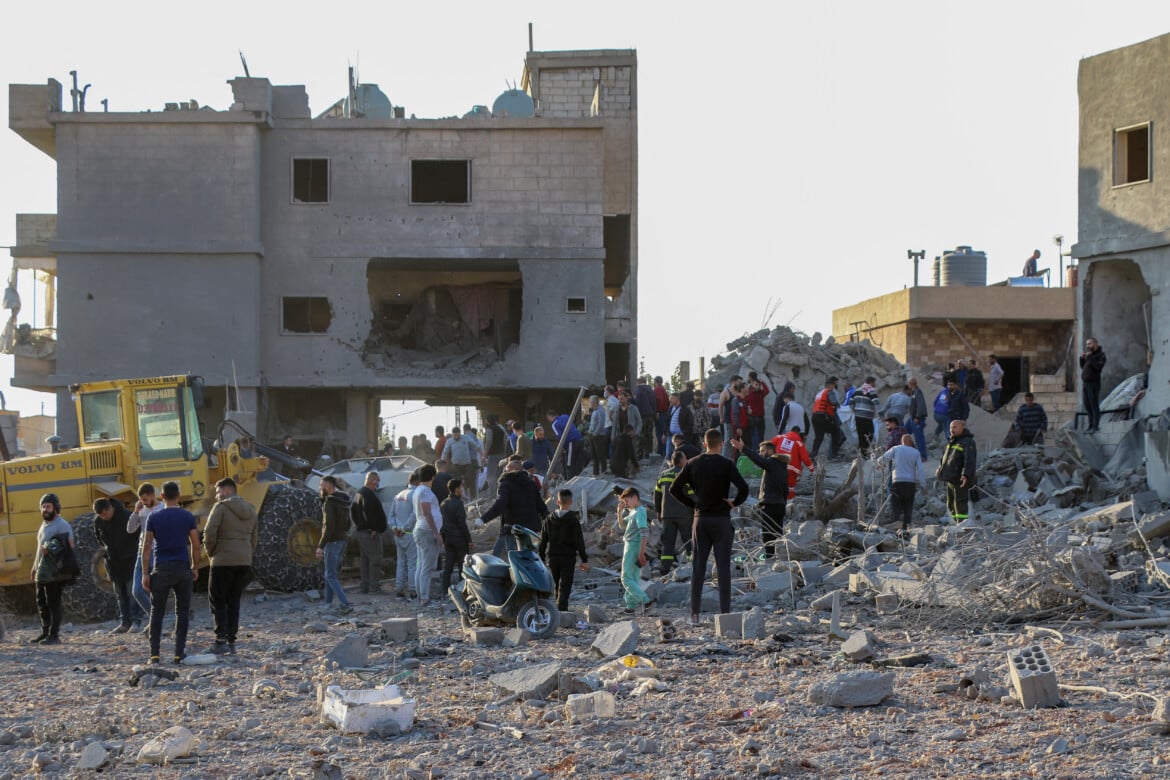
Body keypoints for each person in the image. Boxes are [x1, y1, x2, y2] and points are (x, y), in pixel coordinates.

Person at [670, 428, 750, 625]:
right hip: (721, 519)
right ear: (720, 444)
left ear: (704, 444)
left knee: (698, 566)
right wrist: (734, 502)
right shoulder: (726, 464)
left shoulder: (693, 463)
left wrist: (692, 504)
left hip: (701, 519)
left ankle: (695, 614)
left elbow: (674, 488)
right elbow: (744, 488)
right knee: (723, 567)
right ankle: (724, 614)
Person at [142, 481, 200, 664]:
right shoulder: (187, 516)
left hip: (162, 568)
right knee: (182, 612)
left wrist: (145, 573)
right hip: (182, 567)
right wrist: (195, 567)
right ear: (179, 496)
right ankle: (178, 654)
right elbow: (196, 545)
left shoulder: (154, 518)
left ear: (162, 496)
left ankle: (154, 655)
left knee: (156, 612)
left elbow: (147, 547)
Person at [202, 477, 257, 654]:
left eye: (218, 492)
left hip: (222, 560)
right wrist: (247, 553)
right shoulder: (251, 509)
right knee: (234, 600)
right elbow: (255, 537)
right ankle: (231, 637)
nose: (217, 496)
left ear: (226, 491)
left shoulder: (220, 507)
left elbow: (209, 533)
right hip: (244, 560)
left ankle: (220, 640)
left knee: (217, 599)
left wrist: (211, 553)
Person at [731, 437, 790, 559]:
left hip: (770, 504)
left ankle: (769, 556)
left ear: (770, 451)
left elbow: (757, 460)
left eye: (762, 451)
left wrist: (743, 449)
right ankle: (778, 555)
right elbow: (785, 489)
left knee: (768, 532)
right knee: (777, 531)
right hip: (779, 504)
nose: (760, 453)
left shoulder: (772, 463)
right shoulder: (781, 466)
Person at [30, 493, 74, 645]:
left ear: (56, 507)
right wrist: (35, 567)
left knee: (53, 603)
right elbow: (39, 549)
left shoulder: (62, 525)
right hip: (42, 572)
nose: (45, 510)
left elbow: (69, 547)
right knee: (41, 602)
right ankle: (45, 631)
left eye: (48, 506)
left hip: (55, 573)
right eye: (43, 507)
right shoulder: (44, 525)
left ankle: (54, 635)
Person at [93, 497, 142, 633]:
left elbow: (138, 536)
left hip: (130, 560)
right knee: (120, 594)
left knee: (132, 592)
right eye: (100, 515)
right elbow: (99, 538)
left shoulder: (127, 516)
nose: (104, 517)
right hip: (113, 563)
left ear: (111, 508)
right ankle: (124, 622)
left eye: (105, 514)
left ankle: (136, 621)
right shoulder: (98, 521)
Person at [483, 460, 548, 556]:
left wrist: (484, 519)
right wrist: (547, 519)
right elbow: (541, 505)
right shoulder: (530, 483)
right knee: (530, 557)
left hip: (512, 528)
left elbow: (501, 504)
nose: (505, 469)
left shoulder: (506, 484)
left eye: (509, 467)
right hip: (530, 528)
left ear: (516, 469)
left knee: (512, 557)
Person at [539, 488, 589, 612]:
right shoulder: (573, 520)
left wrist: (541, 558)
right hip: (568, 558)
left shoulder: (549, 519)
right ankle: (562, 610)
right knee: (565, 586)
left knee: (556, 585)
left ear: (557, 501)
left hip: (553, 558)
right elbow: (579, 542)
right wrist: (584, 560)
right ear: (571, 502)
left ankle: (557, 609)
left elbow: (542, 541)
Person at [126, 482, 162, 631]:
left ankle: (155, 623)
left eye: (146, 499)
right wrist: (135, 512)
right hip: (142, 553)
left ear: (153, 496)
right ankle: (156, 618)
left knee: (153, 590)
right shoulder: (141, 510)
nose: (144, 503)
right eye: (142, 500)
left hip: (155, 552)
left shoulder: (161, 509)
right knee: (136, 590)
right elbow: (130, 529)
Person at [315, 476, 353, 615]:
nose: (320, 488)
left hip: (332, 541)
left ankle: (345, 603)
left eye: (322, 485)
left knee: (330, 574)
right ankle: (327, 603)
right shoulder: (343, 500)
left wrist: (320, 545)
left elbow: (328, 526)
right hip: (342, 540)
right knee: (330, 573)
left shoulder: (329, 502)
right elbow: (349, 523)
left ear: (329, 486)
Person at [654, 450, 693, 575]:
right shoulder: (686, 475)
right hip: (684, 514)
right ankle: (692, 565)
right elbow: (692, 495)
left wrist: (659, 511)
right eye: (685, 459)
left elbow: (657, 494)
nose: (687, 461)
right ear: (681, 461)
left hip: (667, 515)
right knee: (688, 540)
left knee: (668, 542)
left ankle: (665, 569)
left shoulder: (663, 475)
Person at [410, 464, 443, 607]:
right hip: (426, 531)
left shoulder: (419, 490)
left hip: (421, 530)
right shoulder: (424, 492)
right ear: (433, 477)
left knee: (421, 566)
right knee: (427, 567)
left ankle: (421, 596)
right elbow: (427, 513)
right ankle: (424, 598)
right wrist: (436, 533)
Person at [880, 434, 926, 533]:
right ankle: (906, 527)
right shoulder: (916, 452)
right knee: (908, 506)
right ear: (910, 442)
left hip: (897, 481)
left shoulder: (896, 449)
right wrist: (923, 485)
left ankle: (896, 527)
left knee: (895, 505)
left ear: (902, 441)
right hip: (910, 483)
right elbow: (920, 470)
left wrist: (880, 465)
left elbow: (882, 459)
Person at [350, 471, 388, 594]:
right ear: (371, 480)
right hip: (370, 533)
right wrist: (374, 528)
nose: (377, 483)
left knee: (365, 560)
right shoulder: (368, 494)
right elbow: (369, 512)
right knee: (375, 559)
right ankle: (374, 587)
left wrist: (359, 526)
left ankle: (365, 586)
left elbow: (353, 513)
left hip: (362, 532)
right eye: (376, 480)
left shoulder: (358, 494)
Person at [616, 488, 651, 614]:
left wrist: (641, 552)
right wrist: (619, 513)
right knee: (633, 577)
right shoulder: (633, 512)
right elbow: (622, 525)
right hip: (631, 546)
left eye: (627, 500)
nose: (626, 503)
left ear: (635, 497)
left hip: (632, 547)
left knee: (625, 578)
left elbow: (644, 533)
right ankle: (630, 607)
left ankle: (647, 601)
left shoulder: (640, 511)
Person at [937, 420, 977, 523]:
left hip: (959, 479)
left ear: (962, 428)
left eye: (954, 427)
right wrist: (940, 468)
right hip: (950, 478)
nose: (952, 430)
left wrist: (965, 475)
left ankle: (962, 525)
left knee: (960, 504)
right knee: (950, 504)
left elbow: (969, 461)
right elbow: (946, 458)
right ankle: (955, 524)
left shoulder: (968, 442)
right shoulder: (952, 441)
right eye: (951, 427)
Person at [439, 478, 471, 595]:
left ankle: (445, 590)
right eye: (461, 487)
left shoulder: (443, 503)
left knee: (449, 565)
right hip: (459, 539)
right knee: (463, 566)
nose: (462, 489)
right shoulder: (458, 503)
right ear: (456, 489)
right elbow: (462, 523)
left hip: (448, 538)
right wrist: (469, 540)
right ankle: (463, 591)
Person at [390, 472, 419, 599]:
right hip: (409, 533)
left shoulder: (398, 495)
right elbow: (414, 515)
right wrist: (404, 528)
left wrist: (394, 528)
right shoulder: (415, 495)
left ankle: (399, 589)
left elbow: (391, 515)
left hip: (398, 535)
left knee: (401, 562)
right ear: (418, 482)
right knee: (412, 563)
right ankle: (413, 590)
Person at [774, 426, 815, 500]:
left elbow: (769, 446)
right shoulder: (798, 442)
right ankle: (788, 504)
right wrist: (812, 470)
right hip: (791, 470)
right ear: (798, 433)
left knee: (777, 485)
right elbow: (805, 459)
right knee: (790, 488)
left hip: (777, 466)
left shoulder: (779, 437)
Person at [810, 377, 844, 460]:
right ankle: (833, 455)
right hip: (823, 417)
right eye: (834, 385)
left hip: (815, 417)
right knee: (836, 431)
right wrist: (838, 405)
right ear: (831, 385)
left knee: (819, 437)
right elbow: (833, 402)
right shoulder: (829, 391)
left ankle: (813, 455)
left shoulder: (819, 394)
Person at [443, 428, 480, 501]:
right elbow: (445, 451)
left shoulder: (466, 437)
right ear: (453, 434)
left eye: (458, 434)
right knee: (456, 482)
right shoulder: (449, 441)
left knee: (470, 479)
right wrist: (442, 461)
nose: (456, 436)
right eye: (455, 434)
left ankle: (473, 496)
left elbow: (475, 445)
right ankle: (458, 498)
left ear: (460, 433)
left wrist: (480, 455)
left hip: (467, 463)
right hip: (456, 465)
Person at [1080, 337, 1107, 433]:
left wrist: (1090, 357)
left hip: (1094, 383)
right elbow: (1083, 367)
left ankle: (1095, 426)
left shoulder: (1101, 355)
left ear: (1095, 344)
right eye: (1087, 344)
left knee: (1093, 404)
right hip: (1086, 383)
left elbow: (1097, 367)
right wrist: (1082, 358)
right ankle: (1090, 425)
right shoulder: (1089, 355)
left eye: (1090, 344)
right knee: (1087, 405)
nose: (1088, 346)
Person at [851, 377, 879, 458]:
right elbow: (876, 403)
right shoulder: (871, 391)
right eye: (874, 382)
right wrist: (881, 414)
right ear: (871, 382)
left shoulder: (857, 390)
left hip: (858, 417)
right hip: (867, 417)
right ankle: (864, 453)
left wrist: (856, 411)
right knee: (870, 434)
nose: (875, 384)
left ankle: (860, 452)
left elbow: (851, 402)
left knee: (861, 435)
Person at [482, 415, 509, 500]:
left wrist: (484, 454)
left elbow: (489, 442)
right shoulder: (501, 429)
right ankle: (500, 495)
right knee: (499, 475)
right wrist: (504, 452)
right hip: (501, 455)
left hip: (493, 455)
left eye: (486, 420)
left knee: (490, 476)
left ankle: (492, 497)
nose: (485, 421)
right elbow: (505, 441)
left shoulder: (489, 429)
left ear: (488, 421)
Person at [664, 391, 694, 461]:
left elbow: (690, 423)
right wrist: (664, 434)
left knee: (680, 455)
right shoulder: (670, 408)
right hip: (670, 435)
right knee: (669, 454)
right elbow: (667, 422)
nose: (670, 400)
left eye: (671, 398)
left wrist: (683, 432)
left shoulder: (685, 409)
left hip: (681, 437)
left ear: (677, 399)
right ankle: (670, 469)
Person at [634, 376, 658, 459]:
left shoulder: (638, 391)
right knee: (649, 436)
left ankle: (640, 454)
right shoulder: (651, 390)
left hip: (642, 416)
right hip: (651, 416)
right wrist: (654, 415)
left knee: (641, 435)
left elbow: (637, 404)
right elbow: (654, 404)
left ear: (638, 382)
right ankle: (648, 453)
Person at [745, 372, 770, 450]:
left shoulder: (760, 393)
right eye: (756, 385)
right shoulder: (750, 392)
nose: (758, 386)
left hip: (761, 416)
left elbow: (767, 391)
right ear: (752, 385)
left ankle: (760, 452)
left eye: (759, 385)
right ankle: (755, 452)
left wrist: (762, 382)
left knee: (761, 436)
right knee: (754, 436)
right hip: (753, 417)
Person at [906, 378, 929, 460]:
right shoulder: (913, 392)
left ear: (912, 384)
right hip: (912, 417)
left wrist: (917, 417)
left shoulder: (917, 392)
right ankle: (912, 448)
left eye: (909, 383)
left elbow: (921, 405)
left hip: (917, 418)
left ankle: (923, 456)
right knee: (905, 430)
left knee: (919, 437)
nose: (908, 385)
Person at [587, 395, 609, 475]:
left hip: (599, 436)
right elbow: (593, 423)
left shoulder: (600, 411)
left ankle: (604, 471)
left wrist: (595, 433)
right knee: (594, 455)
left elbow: (601, 423)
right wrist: (590, 431)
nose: (590, 403)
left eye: (590, 402)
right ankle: (595, 473)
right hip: (592, 435)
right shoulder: (594, 411)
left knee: (601, 455)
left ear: (594, 402)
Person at [652, 376, 671, 456]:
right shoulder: (663, 389)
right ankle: (662, 451)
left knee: (659, 433)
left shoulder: (657, 389)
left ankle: (661, 452)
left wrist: (657, 411)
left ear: (655, 382)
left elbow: (659, 400)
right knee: (662, 432)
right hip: (664, 413)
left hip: (660, 413)